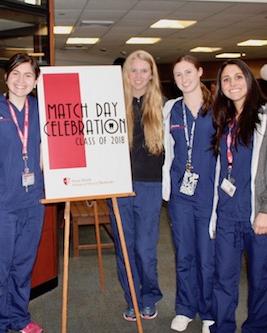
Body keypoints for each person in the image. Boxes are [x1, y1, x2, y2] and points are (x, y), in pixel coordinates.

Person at [210, 59, 267, 333]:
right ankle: (222, 328)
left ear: (250, 80)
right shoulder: (225, 119)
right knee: (223, 278)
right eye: (226, 79)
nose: (232, 83)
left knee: (260, 282)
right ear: (221, 88)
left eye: (238, 77)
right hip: (227, 215)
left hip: (260, 218)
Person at [0, 53, 45, 333]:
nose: (21, 80)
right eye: (15, 74)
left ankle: (18, 318)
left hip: (33, 200)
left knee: (23, 266)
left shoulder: (41, 109)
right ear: (5, 78)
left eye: (28, 75)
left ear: (36, 80)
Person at [108, 49, 165, 322]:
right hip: (118, 186)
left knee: (144, 248)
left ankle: (149, 295)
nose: (139, 76)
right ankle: (132, 299)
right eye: (134, 70)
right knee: (125, 246)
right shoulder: (110, 105)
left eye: (144, 70)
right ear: (125, 73)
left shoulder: (163, 107)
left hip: (150, 185)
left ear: (151, 74)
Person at [162, 55, 216, 333]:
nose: (184, 79)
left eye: (188, 72)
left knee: (207, 256)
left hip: (209, 194)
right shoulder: (171, 109)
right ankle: (185, 308)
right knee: (184, 254)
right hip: (180, 195)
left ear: (199, 72)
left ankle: (209, 312)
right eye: (178, 75)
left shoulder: (219, 109)